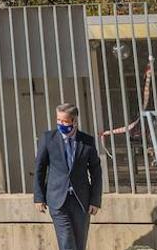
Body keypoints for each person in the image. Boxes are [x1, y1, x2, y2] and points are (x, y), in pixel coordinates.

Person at [34, 102, 103, 250]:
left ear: (74, 121)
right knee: (66, 241)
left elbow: (96, 172)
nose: (61, 124)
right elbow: (40, 168)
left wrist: (95, 200)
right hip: (58, 200)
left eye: (64, 121)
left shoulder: (87, 142)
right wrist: (39, 197)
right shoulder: (48, 139)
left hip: (81, 200)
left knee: (79, 243)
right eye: (58, 120)